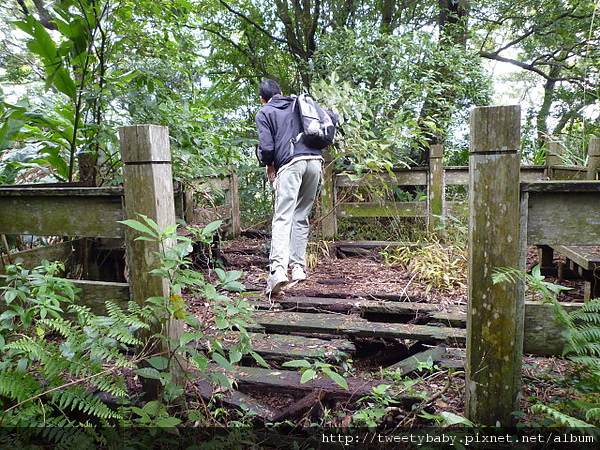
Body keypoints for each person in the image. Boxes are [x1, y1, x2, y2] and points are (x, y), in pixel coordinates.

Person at [255, 79, 330, 296]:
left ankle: (278, 271)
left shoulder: (265, 112)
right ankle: (298, 268)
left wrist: (269, 164)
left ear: (263, 99)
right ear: (280, 92)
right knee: (301, 215)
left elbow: (267, 147)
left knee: (283, 217)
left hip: (290, 163)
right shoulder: (297, 103)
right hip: (315, 161)